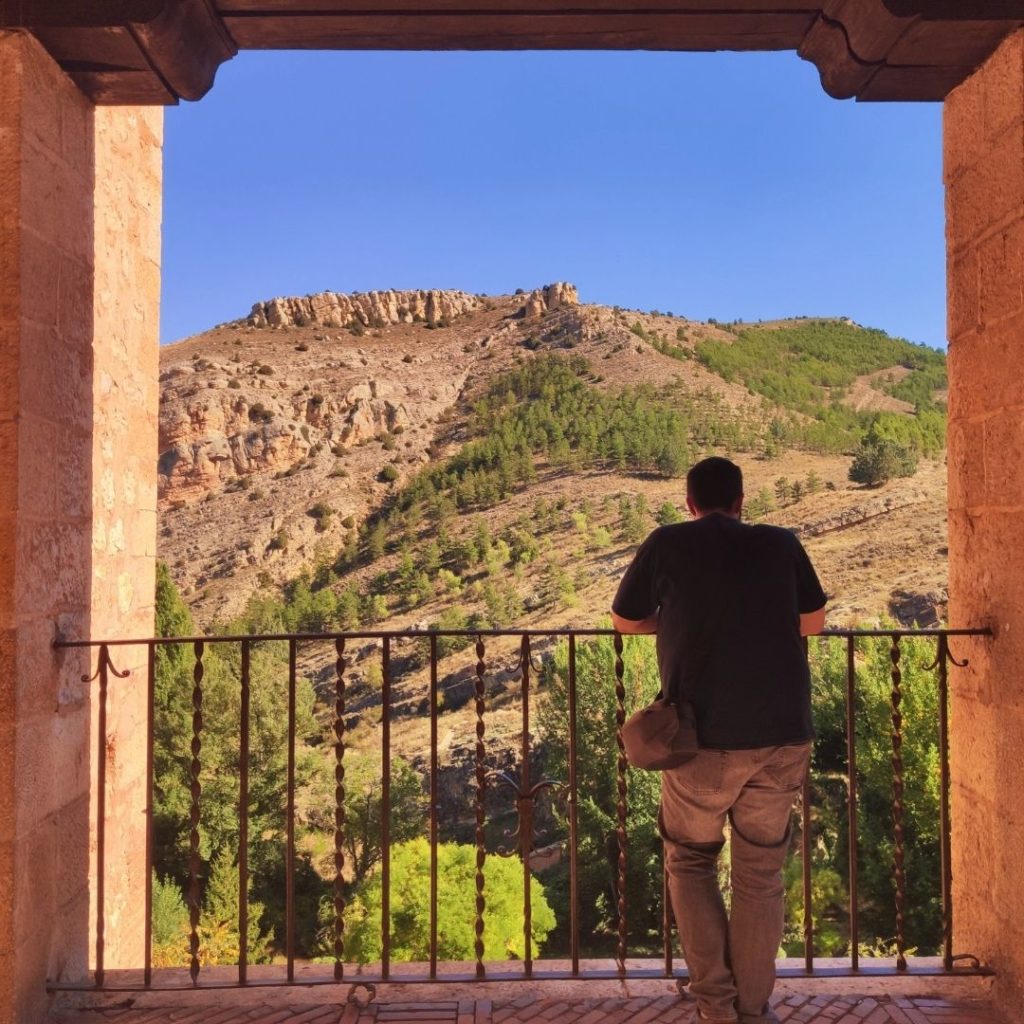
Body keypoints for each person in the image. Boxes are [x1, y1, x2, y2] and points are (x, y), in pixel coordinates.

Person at [611, 457, 826, 1024]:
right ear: (740, 502)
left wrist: (674, 619)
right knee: (760, 874)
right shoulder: (781, 543)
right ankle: (752, 1009)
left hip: (699, 740)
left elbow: (625, 620)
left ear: (689, 504)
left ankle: (716, 1006)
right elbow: (814, 622)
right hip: (783, 735)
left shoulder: (668, 542)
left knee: (690, 861)